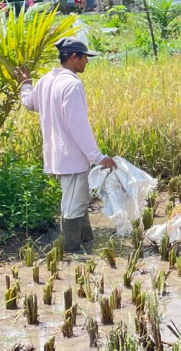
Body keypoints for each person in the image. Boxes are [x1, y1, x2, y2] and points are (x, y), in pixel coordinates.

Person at [17, 37, 117, 254]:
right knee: (73, 204)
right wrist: (97, 157)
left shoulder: (46, 80)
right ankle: (71, 251)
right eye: (85, 58)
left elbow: (30, 103)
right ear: (74, 57)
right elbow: (78, 126)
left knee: (78, 198)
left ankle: (86, 241)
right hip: (71, 156)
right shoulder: (71, 84)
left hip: (57, 154)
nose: (87, 63)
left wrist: (25, 85)